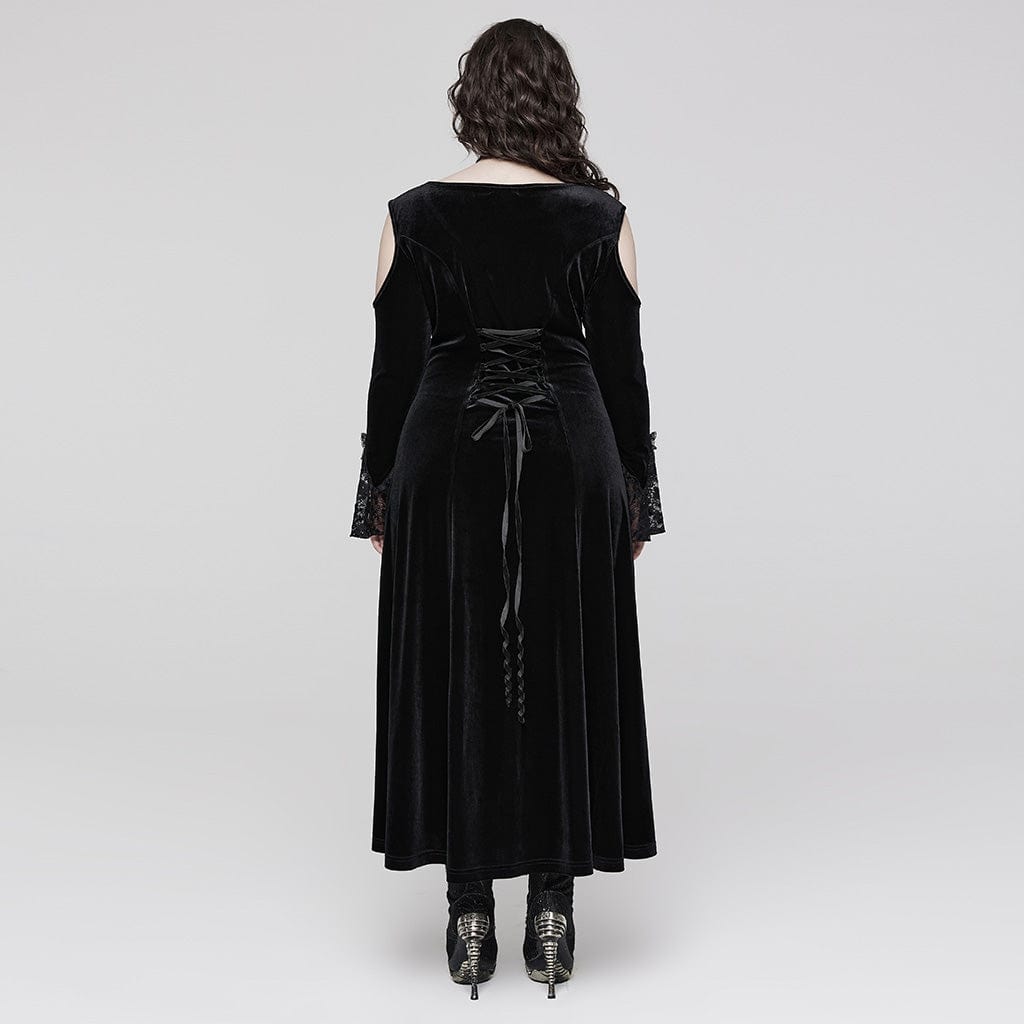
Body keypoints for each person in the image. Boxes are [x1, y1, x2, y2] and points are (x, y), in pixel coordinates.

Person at [350, 18, 665, 999]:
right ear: (557, 100)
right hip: (573, 455)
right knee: (560, 662)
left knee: (456, 661)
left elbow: (393, 372)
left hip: (444, 455)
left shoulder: (411, 215)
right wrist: (637, 497)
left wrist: (378, 497)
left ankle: (468, 912)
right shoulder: (598, 217)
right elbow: (623, 373)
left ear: (471, 102)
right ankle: (554, 910)